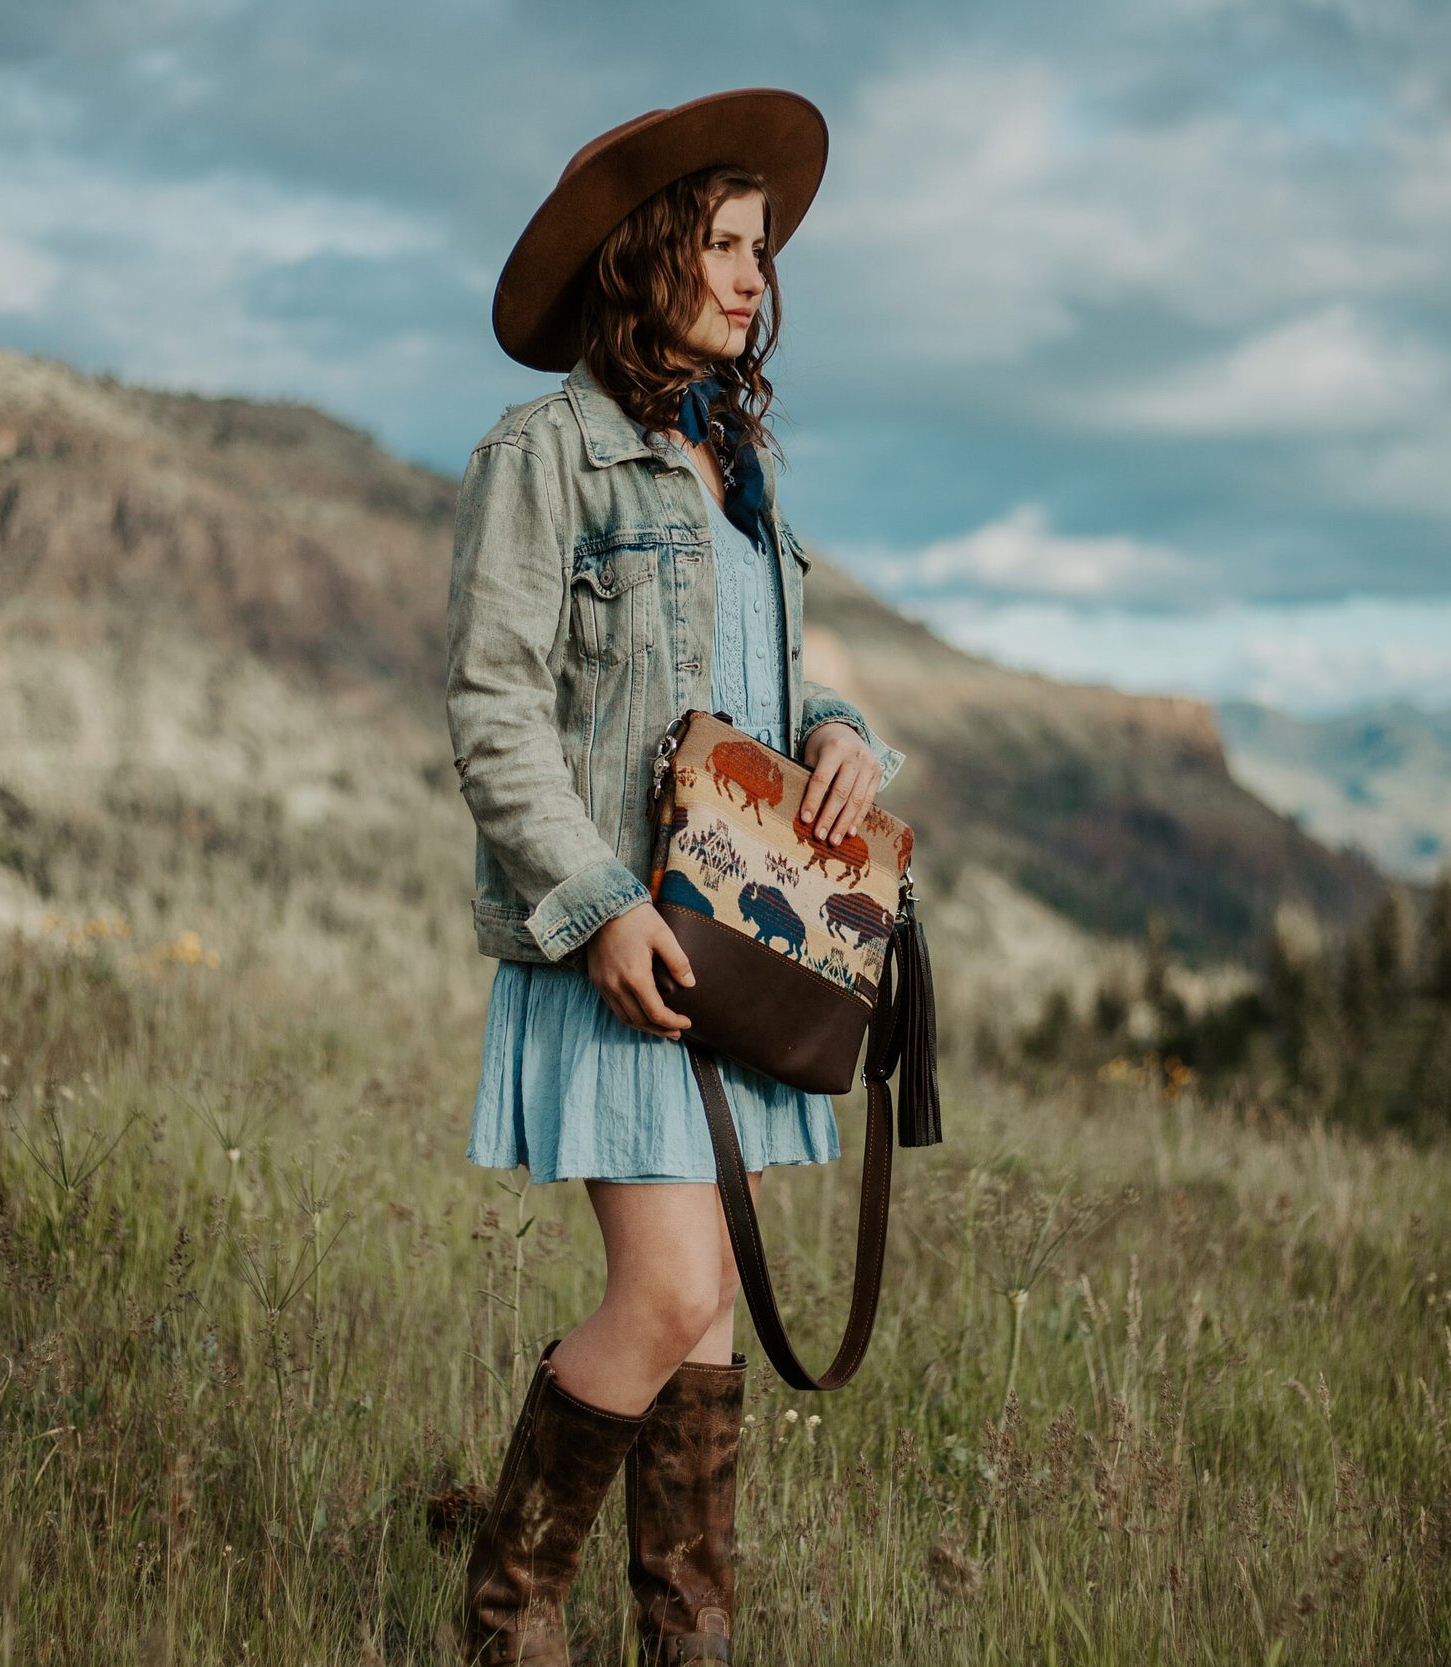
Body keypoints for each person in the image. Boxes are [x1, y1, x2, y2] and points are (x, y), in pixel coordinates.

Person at [444, 88, 905, 1667]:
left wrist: (837, 731)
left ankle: (684, 1644)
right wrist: (600, 907)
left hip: (740, 954)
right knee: (668, 1291)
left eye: (762, 250)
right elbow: (493, 709)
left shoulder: (736, 467)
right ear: (645, 258)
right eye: (723, 244)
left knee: (708, 1318)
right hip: (624, 949)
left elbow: (761, 677)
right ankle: (507, 1621)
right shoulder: (547, 458)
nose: (753, 277)